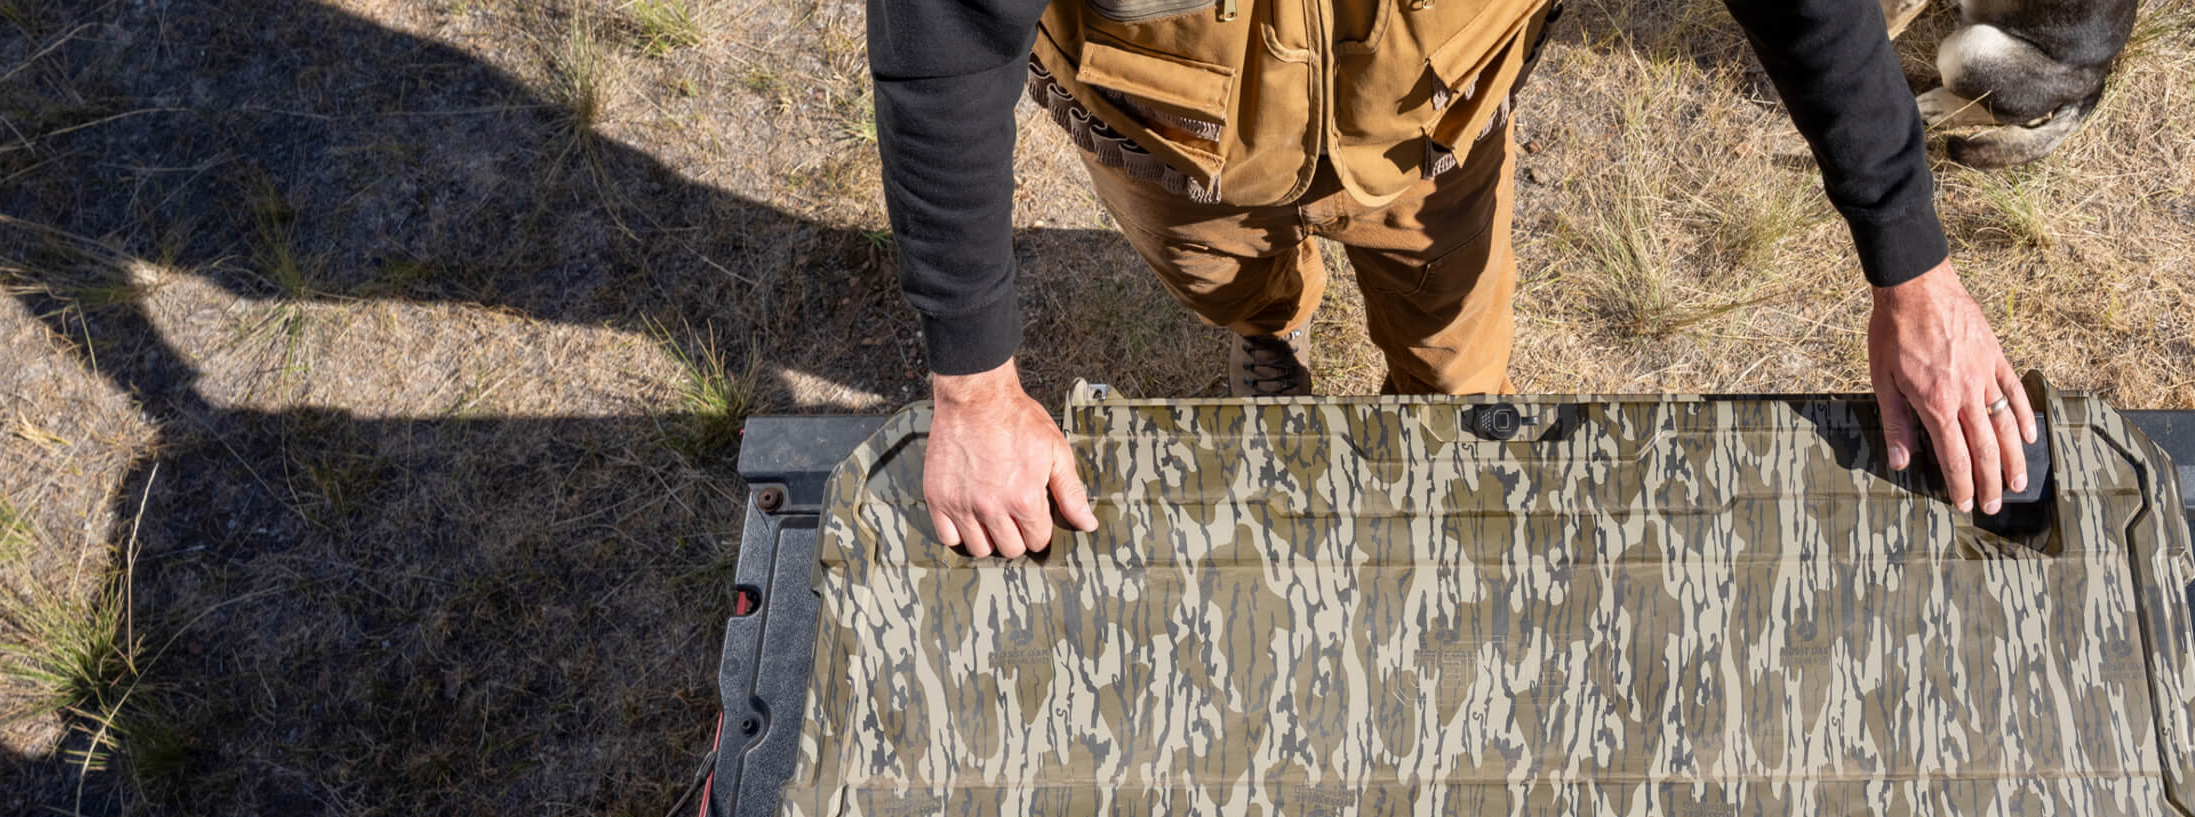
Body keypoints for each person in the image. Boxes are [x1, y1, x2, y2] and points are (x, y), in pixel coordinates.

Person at [869, 0, 2038, 559]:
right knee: (1224, 284)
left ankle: (1435, 448)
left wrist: (1912, 270)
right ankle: (1269, 336)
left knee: (1454, 357)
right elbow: (942, 37)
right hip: (1168, 150)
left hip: (1433, 144)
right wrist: (973, 386)